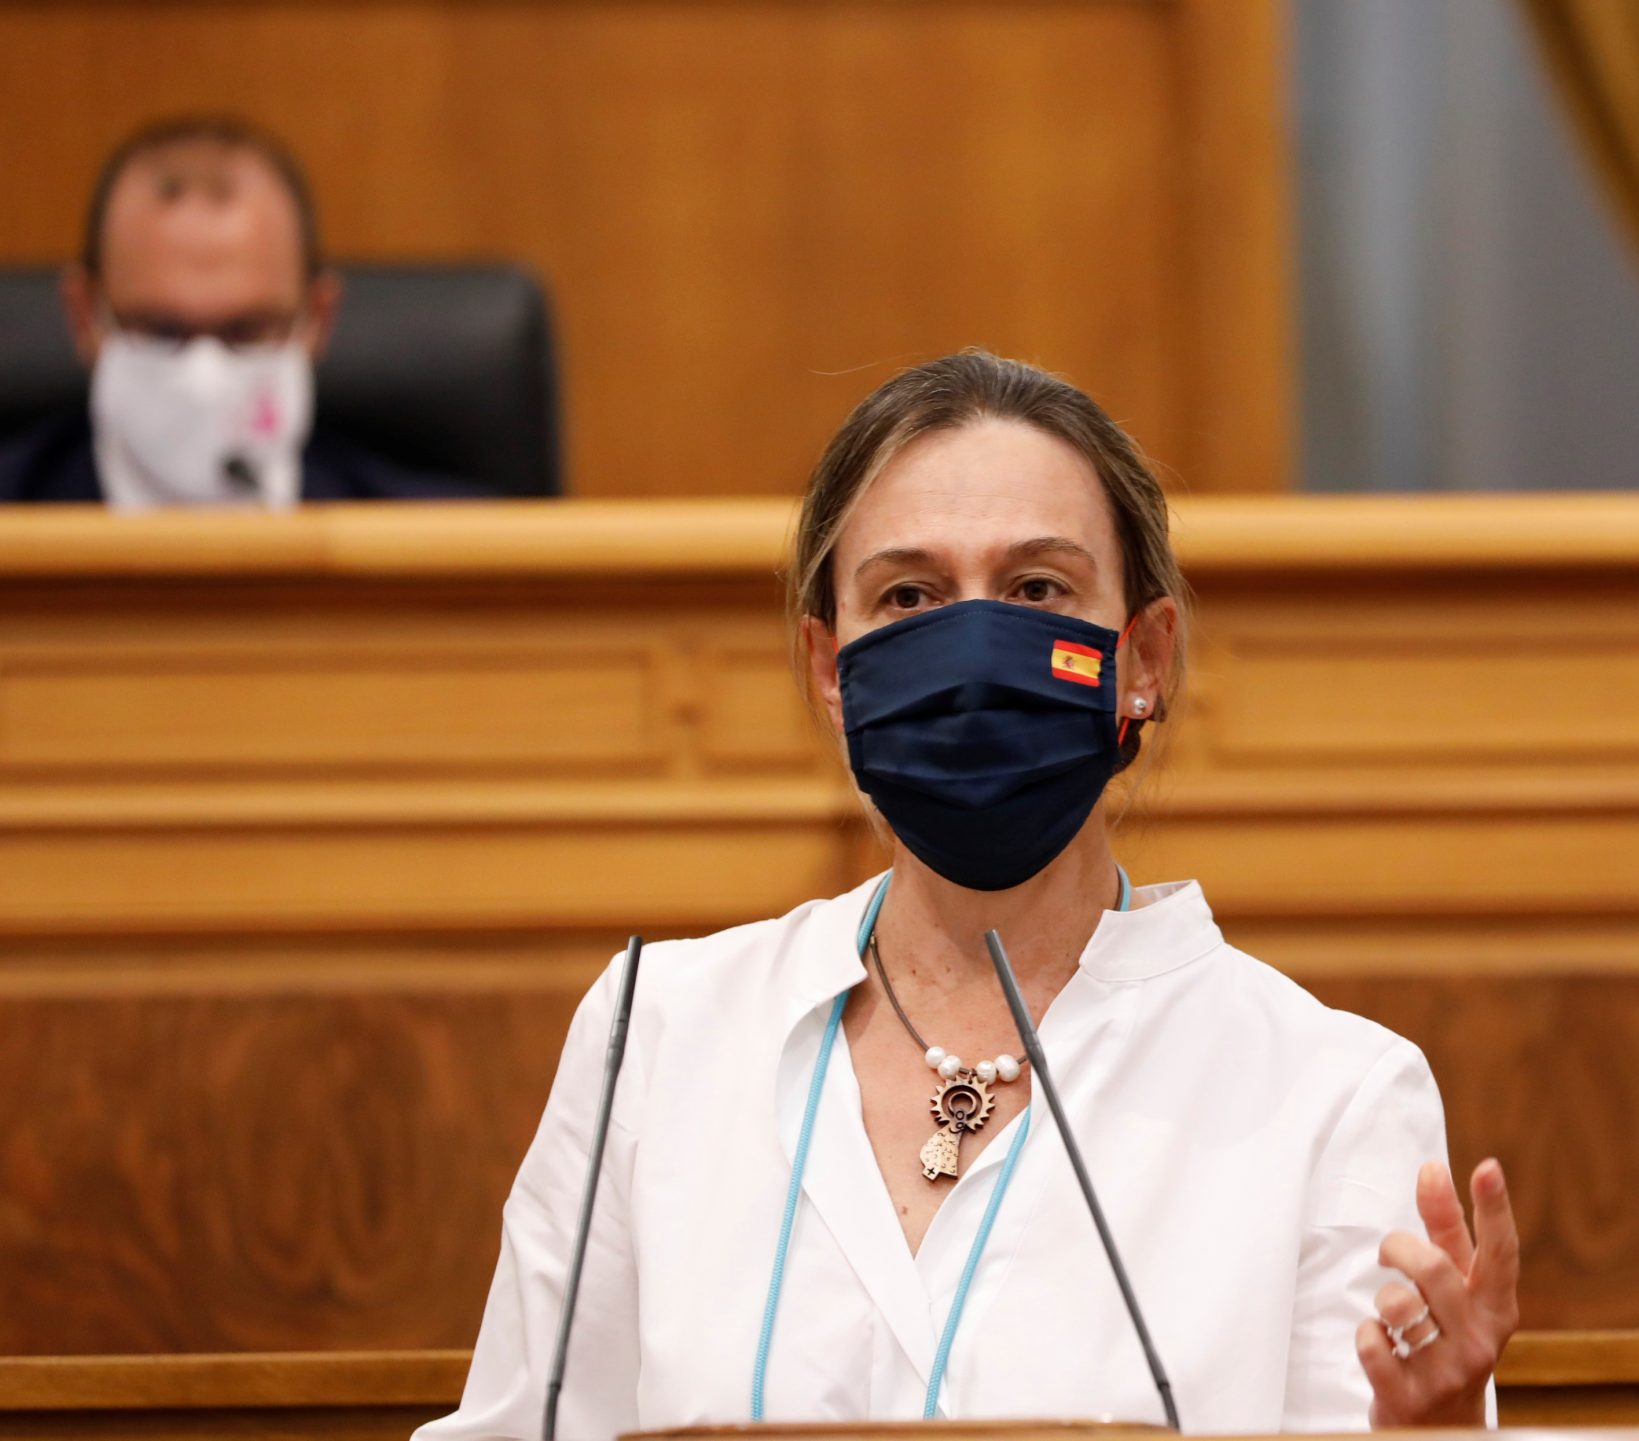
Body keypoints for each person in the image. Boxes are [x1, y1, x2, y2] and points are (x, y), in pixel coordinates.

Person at [422, 351, 1517, 1437]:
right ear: (828, 669)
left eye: (1038, 587)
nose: (975, 648)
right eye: (909, 595)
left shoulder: (1329, 1094)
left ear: (1143, 658)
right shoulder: (653, 1033)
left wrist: (1429, 1437)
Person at [0, 115, 473, 506]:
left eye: (246, 332)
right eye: (162, 332)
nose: (204, 378)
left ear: (318, 319)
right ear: (84, 317)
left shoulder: (443, 547)